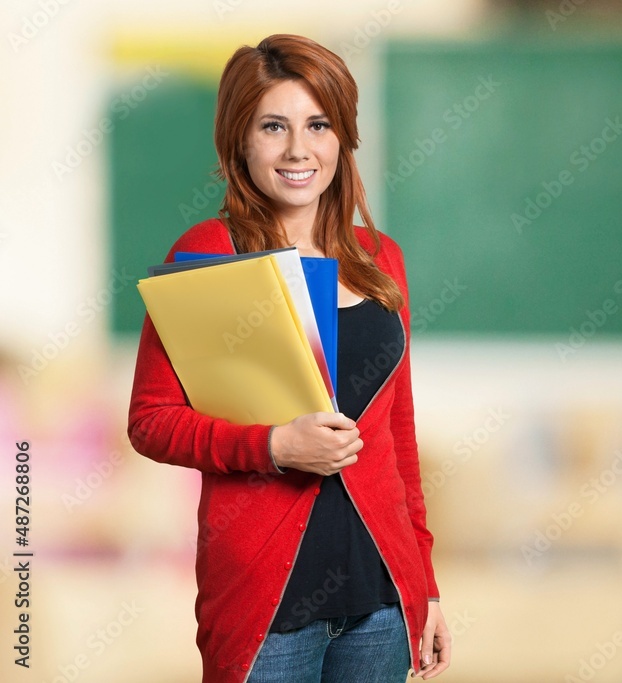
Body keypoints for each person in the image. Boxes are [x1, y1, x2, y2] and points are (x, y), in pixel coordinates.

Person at [127, 34, 451, 683]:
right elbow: (151, 420)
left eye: (318, 124)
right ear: (239, 141)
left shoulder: (381, 257)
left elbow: (397, 435)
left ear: (343, 135)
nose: (299, 148)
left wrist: (425, 584)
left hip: (381, 603)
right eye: (273, 126)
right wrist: (276, 444)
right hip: (266, 609)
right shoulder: (214, 249)